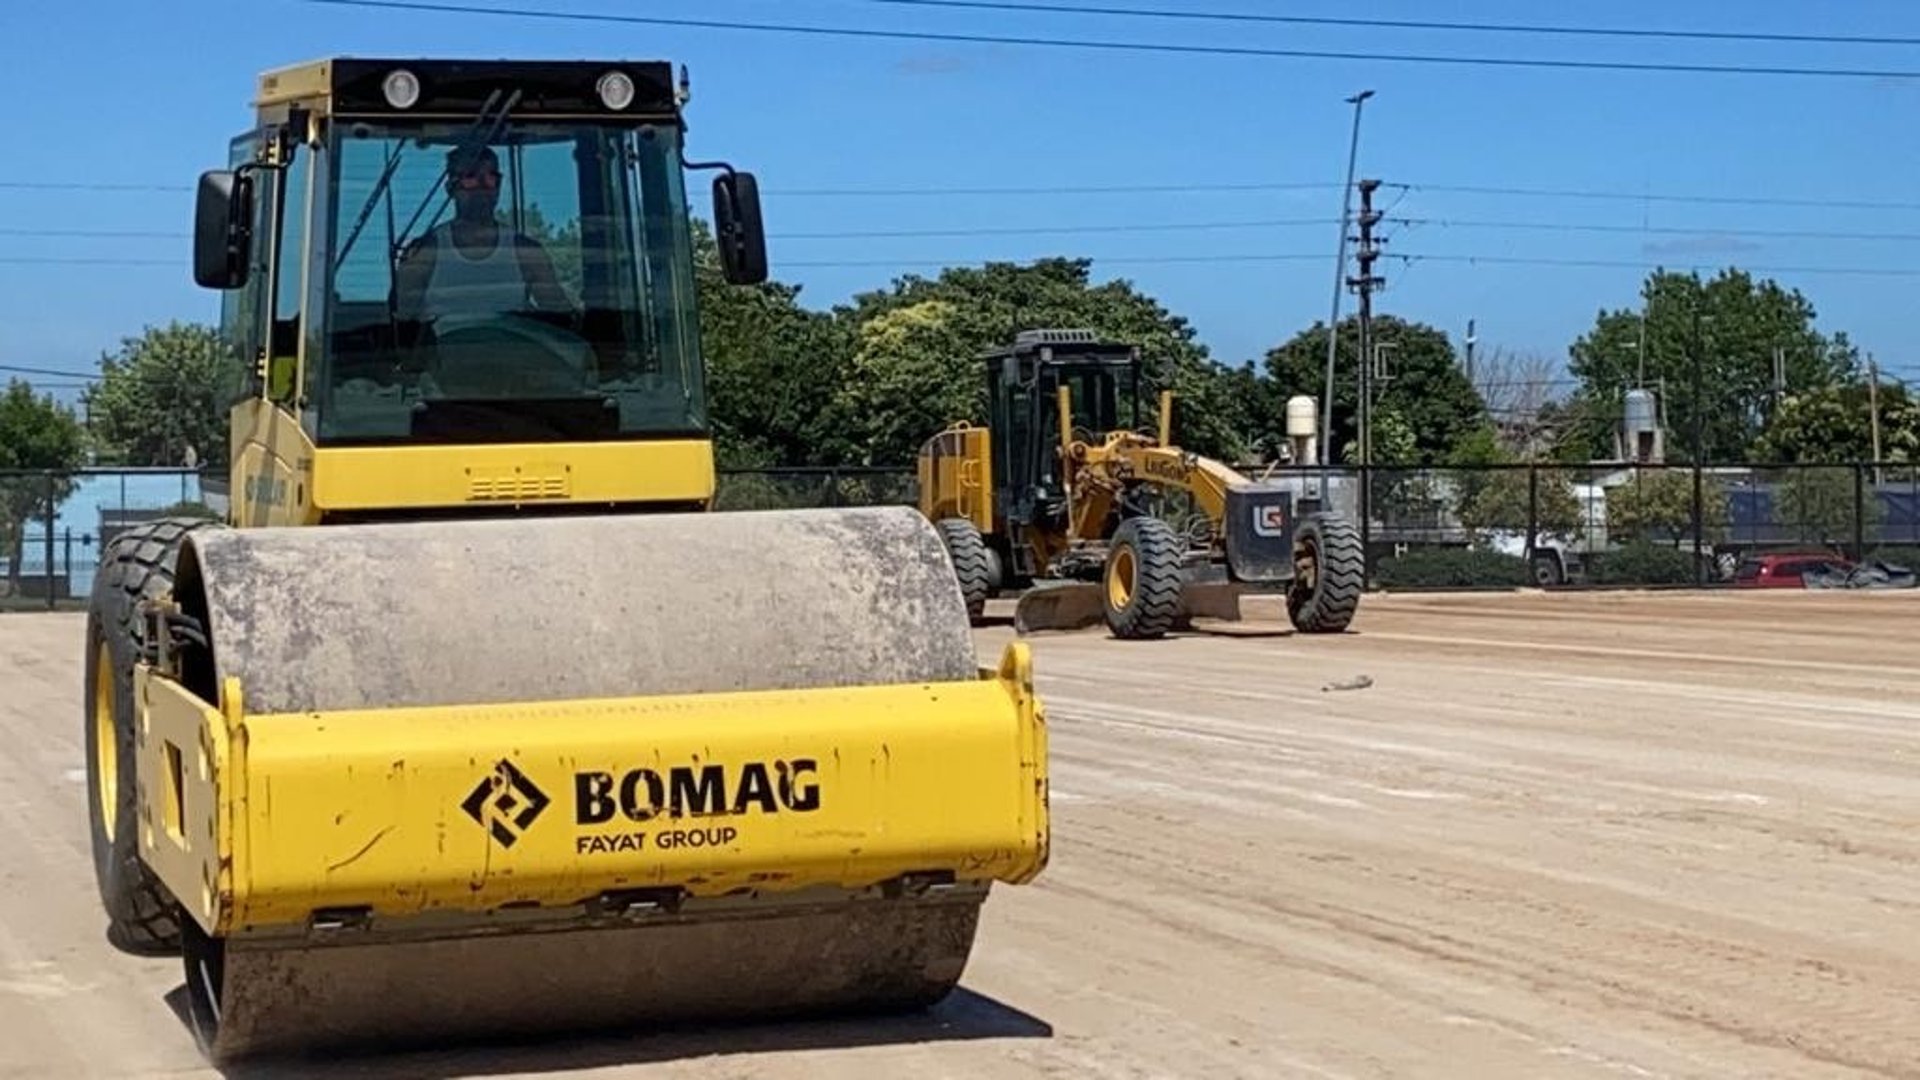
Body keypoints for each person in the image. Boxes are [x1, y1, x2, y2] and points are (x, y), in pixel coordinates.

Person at [393, 144, 574, 327]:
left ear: (499, 185)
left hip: (511, 353)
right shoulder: (424, 253)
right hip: (442, 354)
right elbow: (401, 329)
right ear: (450, 188)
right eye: (470, 178)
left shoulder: (526, 253)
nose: (482, 188)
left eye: (490, 178)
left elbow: (563, 322)